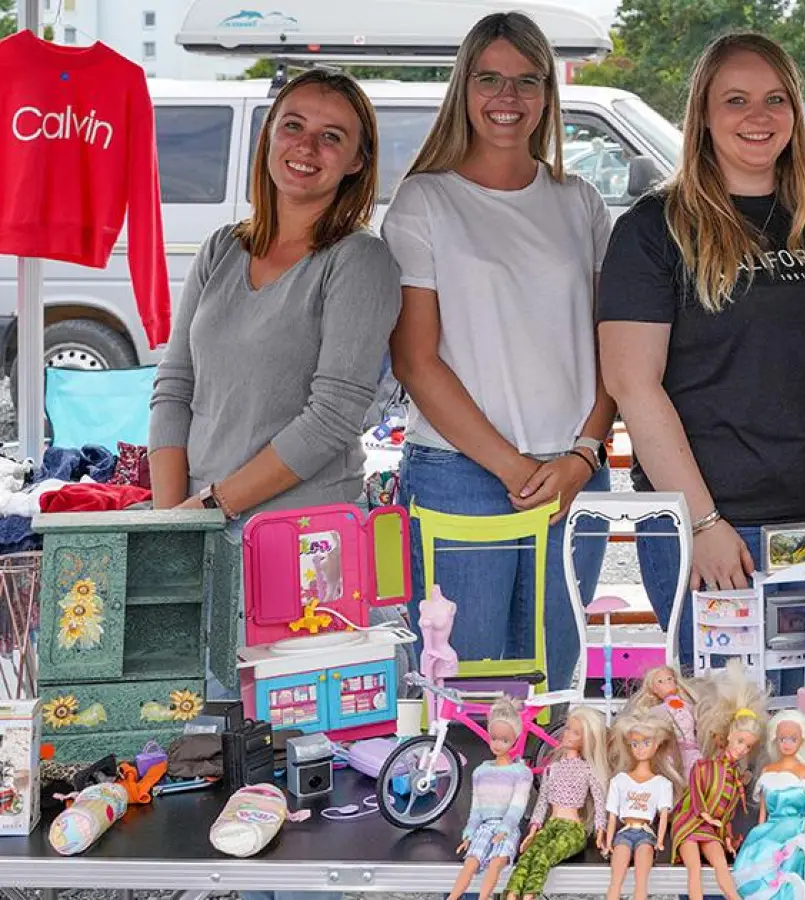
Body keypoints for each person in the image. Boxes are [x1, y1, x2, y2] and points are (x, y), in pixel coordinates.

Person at [148, 68, 400, 900]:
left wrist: (212, 504)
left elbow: (334, 417)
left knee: (301, 761)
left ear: (358, 163)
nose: (308, 148)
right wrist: (167, 521)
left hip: (306, 555)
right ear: (267, 137)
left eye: (334, 137)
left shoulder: (359, 264)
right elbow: (173, 385)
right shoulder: (223, 247)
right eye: (294, 126)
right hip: (205, 531)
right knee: (216, 742)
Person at [598, 32, 805, 667]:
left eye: (776, 99)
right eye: (737, 99)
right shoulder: (654, 227)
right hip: (721, 530)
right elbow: (633, 386)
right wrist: (701, 523)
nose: (759, 117)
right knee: (724, 732)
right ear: (703, 112)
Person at [385, 11, 615, 691]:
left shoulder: (581, 203)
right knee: (464, 690)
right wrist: (515, 467)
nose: (507, 98)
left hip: (574, 477)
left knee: (554, 692)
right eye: (489, 79)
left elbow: (613, 351)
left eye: (526, 81)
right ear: (464, 88)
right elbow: (415, 361)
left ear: (548, 94)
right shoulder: (424, 201)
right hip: (462, 475)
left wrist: (583, 453)